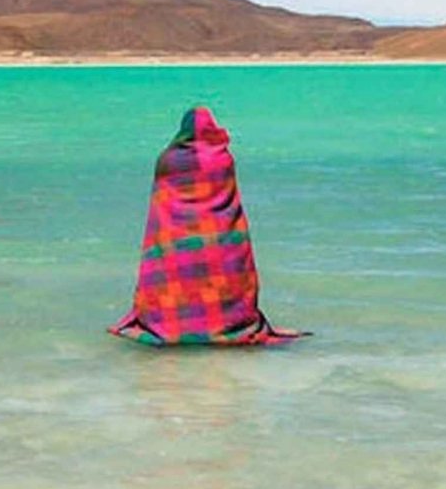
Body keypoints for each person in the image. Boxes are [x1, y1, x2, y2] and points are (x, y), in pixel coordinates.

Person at [109, 106, 306, 346]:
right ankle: (226, 325)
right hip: (218, 243)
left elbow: (162, 207)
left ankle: (170, 326)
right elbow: (226, 202)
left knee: (176, 273)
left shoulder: (167, 160)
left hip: (175, 242)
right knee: (219, 274)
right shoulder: (220, 158)